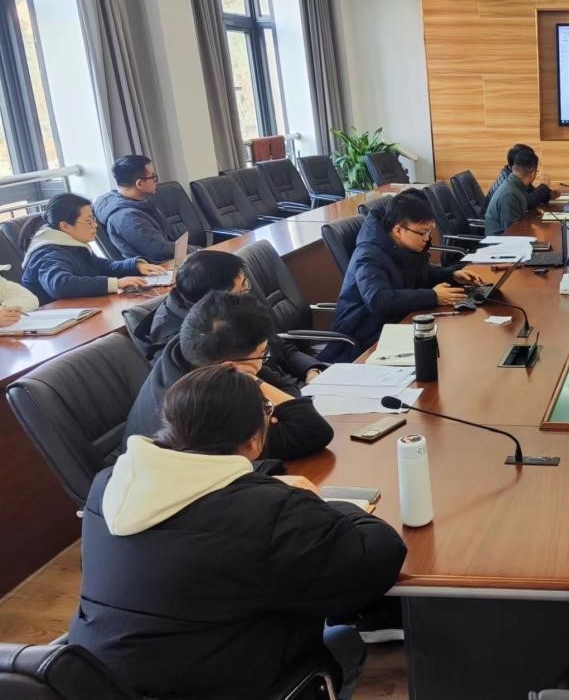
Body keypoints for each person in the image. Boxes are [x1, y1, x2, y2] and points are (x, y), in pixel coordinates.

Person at [72, 364, 406, 700]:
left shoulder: (107, 486)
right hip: (226, 686)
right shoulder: (271, 512)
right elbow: (377, 558)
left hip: (99, 683)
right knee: (345, 642)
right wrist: (325, 503)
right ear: (255, 438)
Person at [126, 291, 334, 461]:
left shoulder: (192, 351)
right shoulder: (196, 406)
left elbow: (288, 388)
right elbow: (313, 430)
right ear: (228, 367)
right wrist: (255, 387)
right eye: (263, 354)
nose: (264, 361)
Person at [324, 191, 483, 361]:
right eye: (422, 232)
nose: (427, 238)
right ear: (398, 230)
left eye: (429, 230)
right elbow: (378, 300)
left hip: (395, 326)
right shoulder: (368, 256)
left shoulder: (399, 245)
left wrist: (452, 275)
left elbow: (420, 271)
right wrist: (433, 296)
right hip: (363, 341)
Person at [130, 249, 325, 387]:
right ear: (216, 298)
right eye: (242, 288)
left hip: (293, 385)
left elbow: (276, 344)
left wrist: (311, 369)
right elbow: (249, 386)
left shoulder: (228, 308)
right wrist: (300, 391)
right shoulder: (187, 345)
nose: (248, 291)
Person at [21, 193, 165, 304]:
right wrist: (116, 283)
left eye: (93, 219)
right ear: (65, 226)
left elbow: (103, 266)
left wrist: (136, 265)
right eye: (89, 221)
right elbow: (60, 285)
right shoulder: (47, 253)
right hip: (55, 324)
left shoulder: (70, 243)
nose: (95, 225)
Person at [94, 155, 191, 262]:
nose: (156, 181)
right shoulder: (127, 218)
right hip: (159, 267)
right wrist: (197, 250)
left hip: (171, 260)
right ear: (140, 184)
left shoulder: (135, 203)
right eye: (153, 177)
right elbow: (161, 251)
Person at [484, 148, 543, 235]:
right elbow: (513, 233)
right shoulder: (510, 194)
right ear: (533, 174)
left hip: (512, 237)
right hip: (499, 241)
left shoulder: (515, 185)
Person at [484, 143, 555, 210]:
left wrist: (549, 195)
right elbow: (526, 203)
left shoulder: (518, 176)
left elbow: (532, 194)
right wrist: (544, 186)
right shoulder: (507, 181)